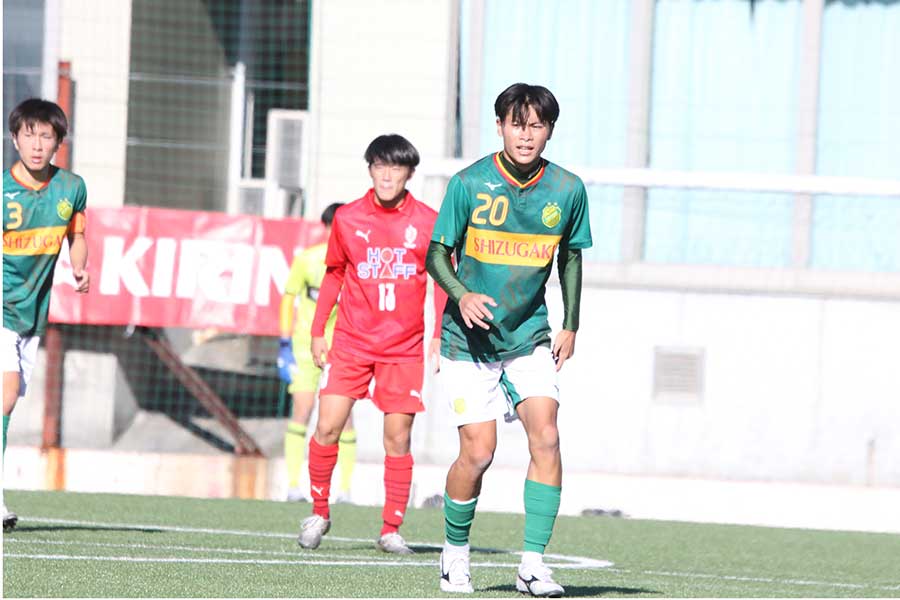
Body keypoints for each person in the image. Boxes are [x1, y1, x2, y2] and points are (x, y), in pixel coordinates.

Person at [426, 83, 592, 596]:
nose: (526, 135)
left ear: (550, 131)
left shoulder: (567, 189)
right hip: (467, 341)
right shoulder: (469, 183)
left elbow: (570, 256)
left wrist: (571, 323)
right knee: (478, 453)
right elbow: (436, 254)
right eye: (517, 123)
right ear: (499, 126)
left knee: (547, 435)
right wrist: (461, 293)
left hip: (530, 336)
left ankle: (533, 566)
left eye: (537, 125)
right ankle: (454, 555)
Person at [297, 134, 447, 555]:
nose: (386, 174)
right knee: (327, 426)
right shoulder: (347, 218)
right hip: (351, 343)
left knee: (397, 438)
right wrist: (316, 330)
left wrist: (438, 334)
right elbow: (333, 274)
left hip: (402, 349)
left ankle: (391, 528)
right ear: (369, 170)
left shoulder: (428, 220)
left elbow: (441, 279)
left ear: (409, 173)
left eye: (395, 167)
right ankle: (320, 511)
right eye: (379, 166)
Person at [3, 98, 90, 532]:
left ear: (59, 142)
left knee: (9, 403)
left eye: (46, 136)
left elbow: (77, 233)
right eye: (29, 135)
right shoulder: (2, 191)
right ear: (15, 138)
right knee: (4, 396)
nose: (37, 145)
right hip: (1, 306)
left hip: (33, 313)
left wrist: (79, 265)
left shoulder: (71, 187)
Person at [277, 202, 357, 504]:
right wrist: (284, 343)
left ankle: (345, 489)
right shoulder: (308, 260)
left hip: (343, 347)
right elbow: (288, 298)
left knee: (344, 418)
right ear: (325, 228)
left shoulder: (355, 263)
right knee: (302, 409)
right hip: (304, 345)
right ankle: (294, 485)